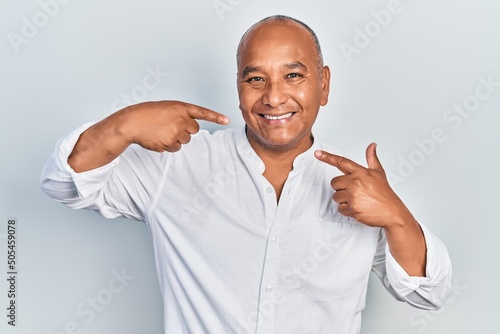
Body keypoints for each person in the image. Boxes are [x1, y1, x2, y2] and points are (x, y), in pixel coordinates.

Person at [40, 15, 451, 334]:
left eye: (294, 75)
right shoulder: (176, 164)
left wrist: (397, 216)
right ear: (239, 87)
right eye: (256, 79)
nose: (274, 97)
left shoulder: (359, 188)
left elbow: (427, 293)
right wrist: (124, 124)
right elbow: (64, 184)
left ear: (323, 85)